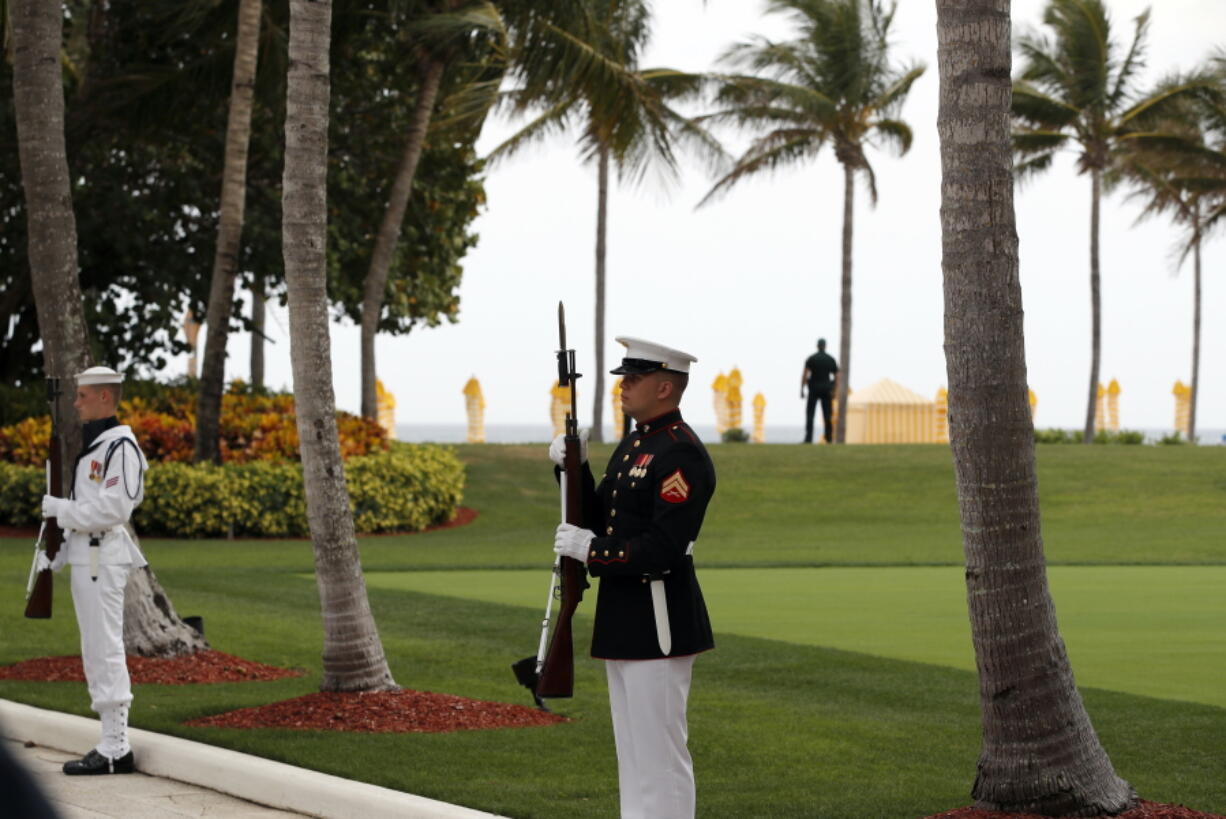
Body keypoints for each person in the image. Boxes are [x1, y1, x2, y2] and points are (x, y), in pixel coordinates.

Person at [550, 336, 715, 819]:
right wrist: (571, 469)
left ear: (666, 387)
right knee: (633, 753)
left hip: (658, 617)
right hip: (623, 615)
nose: (624, 386)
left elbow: (662, 549)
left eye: (635, 379)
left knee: (661, 756)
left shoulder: (680, 453)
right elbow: (600, 514)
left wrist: (591, 550)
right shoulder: (636, 444)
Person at [38, 366, 148, 775]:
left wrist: (61, 510)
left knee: (105, 649)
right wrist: (57, 549)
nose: (76, 402)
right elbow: (86, 504)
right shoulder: (96, 446)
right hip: (88, 555)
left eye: (83, 395)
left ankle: (116, 747)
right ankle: (110, 742)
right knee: (93, 649)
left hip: (103, 557)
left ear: (105, 397)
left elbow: (114, 508)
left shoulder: (120, 448)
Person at [801, 338, 839, 444]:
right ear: (825, 346)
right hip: (826, 389)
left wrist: (802, 389)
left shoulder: (812, 359)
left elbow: (805, 374)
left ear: (817, 346)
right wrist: (835, 390)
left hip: (813, 388)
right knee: (827, 415)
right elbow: (837, 376)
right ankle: (829, 438)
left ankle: (808, 438)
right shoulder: (830, 359)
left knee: (810, 414)